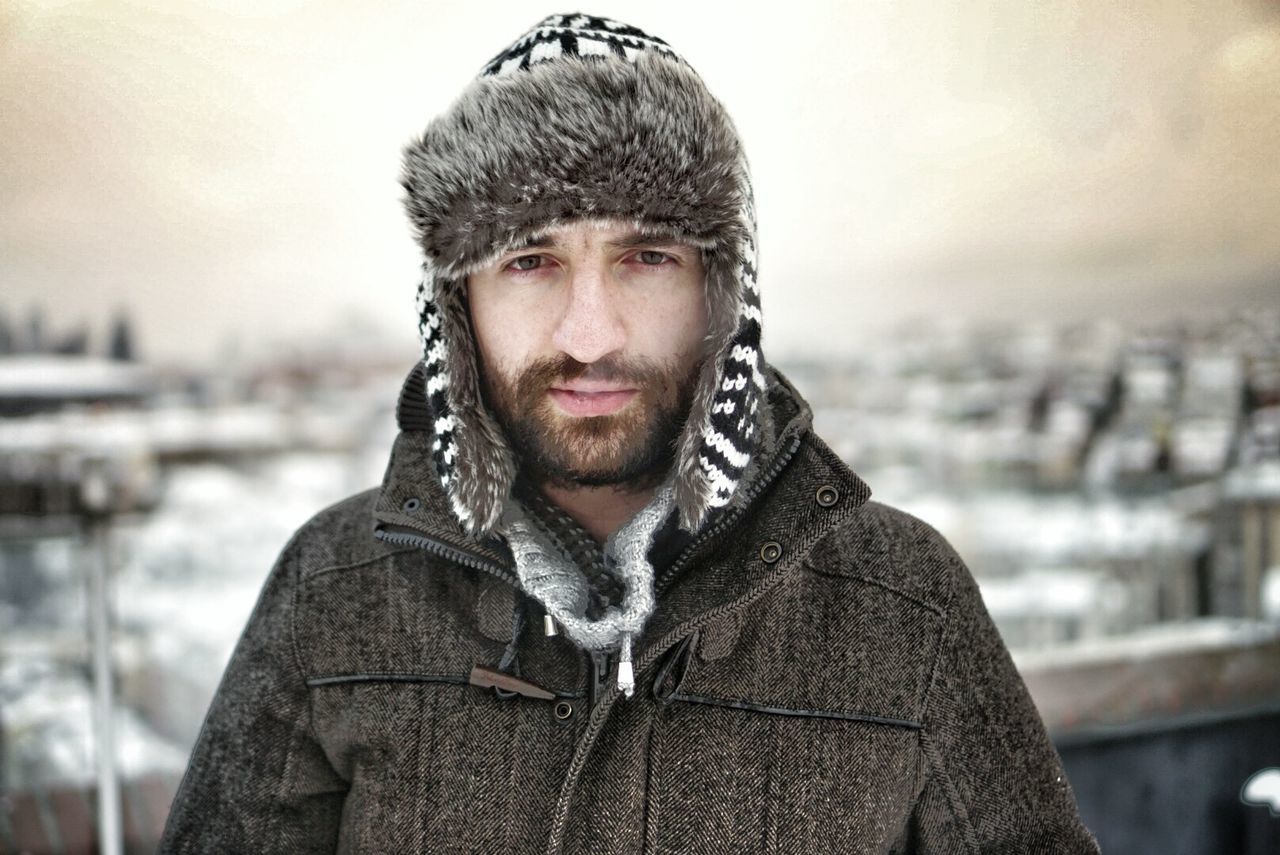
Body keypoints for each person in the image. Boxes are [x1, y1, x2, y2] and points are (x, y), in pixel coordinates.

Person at [160, 12, 1100, 854]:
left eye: (645, 257)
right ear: (459, 310)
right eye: (530, 262)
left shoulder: (903, 604)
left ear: (719, 293)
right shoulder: (331, 593)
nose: (591, 334)